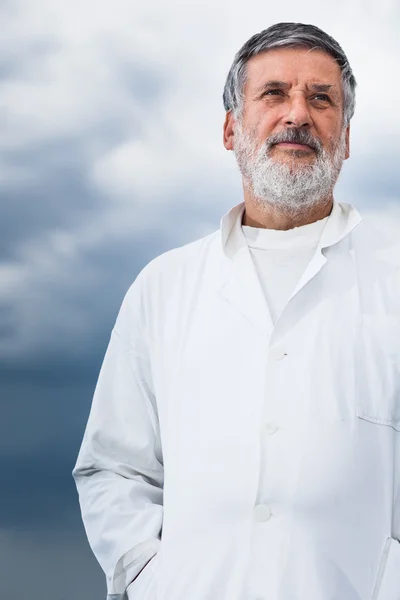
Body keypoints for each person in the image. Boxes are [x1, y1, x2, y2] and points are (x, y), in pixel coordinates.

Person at [72, 22, 400, 600]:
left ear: (346, 137)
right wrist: (150, 576)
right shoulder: (164, 287)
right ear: (231, 128)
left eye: (321, 98)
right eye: (273, 93)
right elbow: (114, 468)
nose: (297, 113)